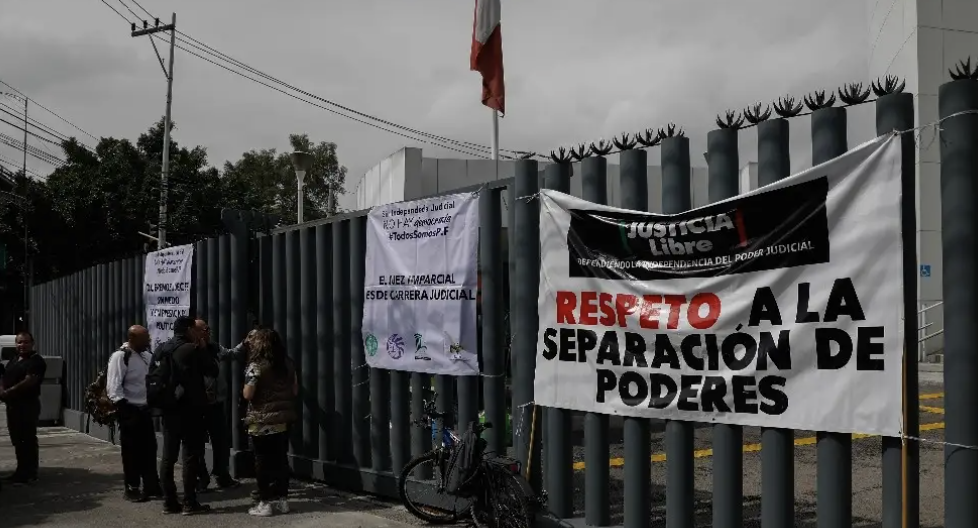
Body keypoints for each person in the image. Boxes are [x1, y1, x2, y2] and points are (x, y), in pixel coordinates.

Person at [154, 315, 216, 515]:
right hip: (191, 411)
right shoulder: (192, 349)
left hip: (168, 409)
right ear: (189, 330)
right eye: (196, 330)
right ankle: (189, 503)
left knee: (168, 457)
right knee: (190, 456)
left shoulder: (162, 349)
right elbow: (212, 370)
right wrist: (204, 347)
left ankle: (169, 502)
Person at [242, 328, 297, 517]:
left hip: (261, 420)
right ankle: (283, 501)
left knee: (262, 462)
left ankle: (264, 503)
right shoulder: (287, 363)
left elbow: (248, 394)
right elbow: (295, 390)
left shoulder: (256, 366)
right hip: (282, 420)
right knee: (281, 460)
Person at [106, 325, 163, 502]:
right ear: (133, 338)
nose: (149, 341)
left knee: (149, 449)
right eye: (145, 338)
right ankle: (132, 487)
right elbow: (113, 386)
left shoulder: (147, 356)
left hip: (145, 410)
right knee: (131, 452)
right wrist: (124, 410)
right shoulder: (121, 356)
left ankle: (151, 485)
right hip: (129, 409)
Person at [193, 318, 243, 492]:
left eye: (208, 329)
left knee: (221, 441)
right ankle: (201, 478)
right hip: (197, 405)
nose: (208, 332)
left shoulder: (214, 347)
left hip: (216, 403)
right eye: (205, 329)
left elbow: (230, 354)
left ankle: (222, 475)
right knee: (197, 444)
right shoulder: (189, 350)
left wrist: (245, 343)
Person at [0, 331, 46, 485]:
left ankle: (30, 473)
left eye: (26, 342)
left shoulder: (36, 361)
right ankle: (20, 471)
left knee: (27, 439)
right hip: (12, 406)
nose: (22, 345)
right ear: (15, 344)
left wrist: (7, 392)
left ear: (32, 344)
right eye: (19, 342)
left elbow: (29, 381)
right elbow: (5, 377)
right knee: (17, 440)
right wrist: (2, 389)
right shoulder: (14, 359)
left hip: (27, 405)